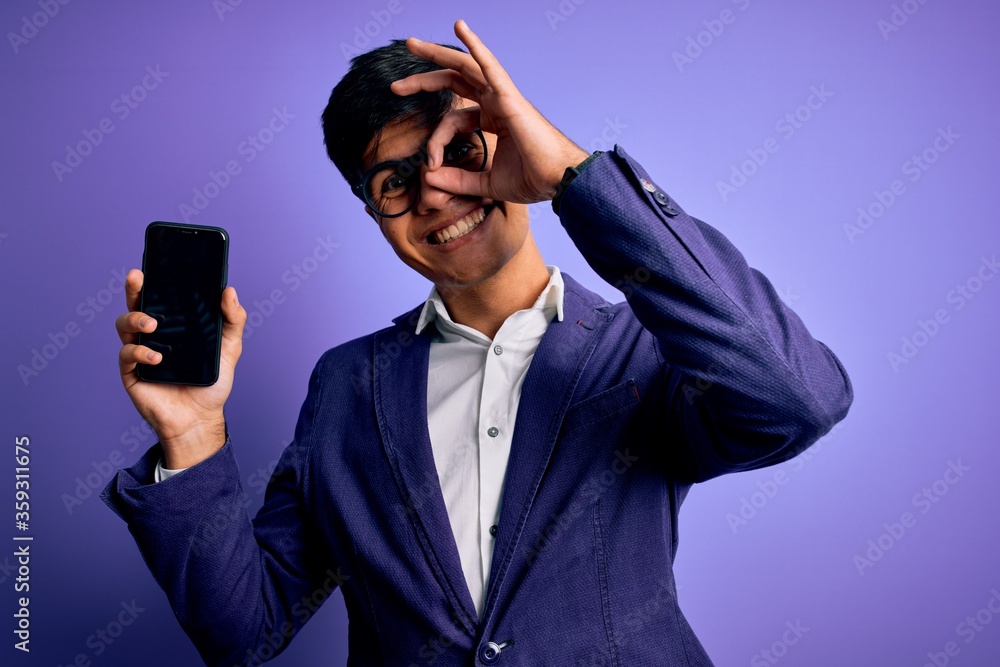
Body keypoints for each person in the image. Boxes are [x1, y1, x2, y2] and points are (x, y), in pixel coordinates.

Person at [103, 20, 852, 667]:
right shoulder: (344, 386)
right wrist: (193, 435)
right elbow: (244, 630)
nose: (432, 192)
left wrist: (569, 174)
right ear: (374, 214)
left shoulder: (648, 347)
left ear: (507, 142)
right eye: (393, 183)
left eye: (458, 151)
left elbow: (798, 401)